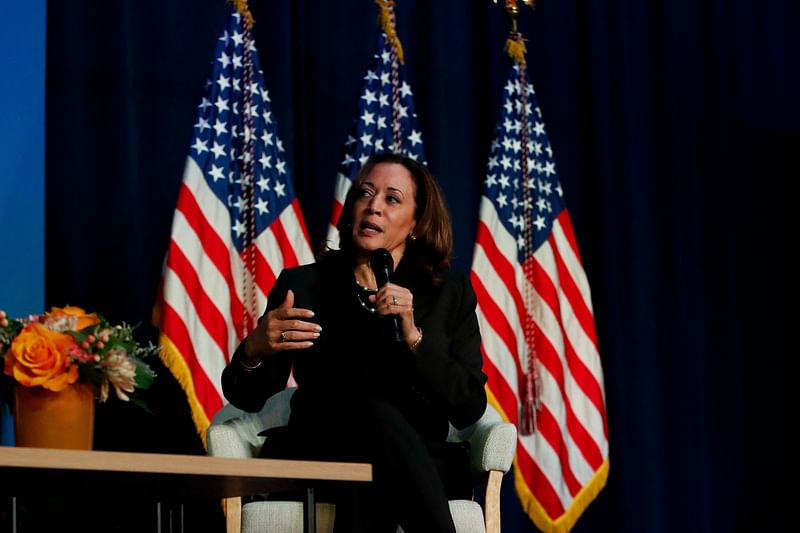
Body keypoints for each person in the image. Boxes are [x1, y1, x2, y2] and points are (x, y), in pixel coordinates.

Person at [221, 152, 487, 532]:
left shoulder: (448, 293)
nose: (374, 207)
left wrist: (414, 338)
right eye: (365, 193)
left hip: (417, 452)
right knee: (371, 422)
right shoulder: (303, 286)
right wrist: (254, 350)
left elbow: (468, 405)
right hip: (322, 448)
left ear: (416, 223)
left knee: (373, 454)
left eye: (392, 198)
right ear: (351, 209)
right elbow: (247, 397)